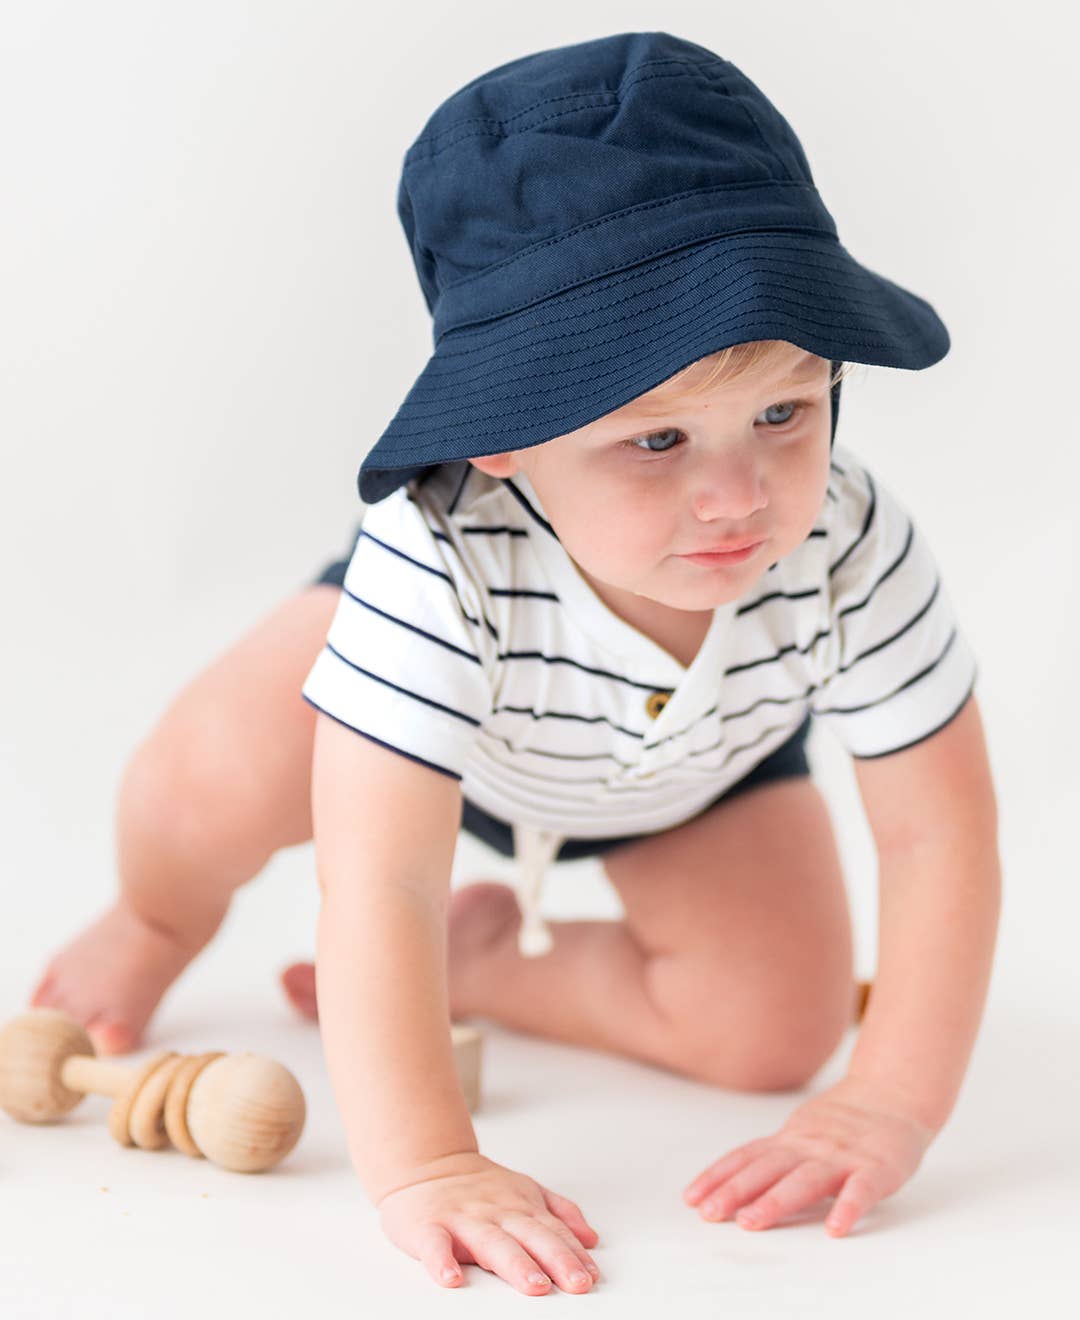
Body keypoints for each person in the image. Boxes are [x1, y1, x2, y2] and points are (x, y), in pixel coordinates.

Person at [28, 32, 1001, 1297]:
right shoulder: (438, 553)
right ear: (501, 438)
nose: (736, 496)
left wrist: (887, 1103)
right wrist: (428, 1163)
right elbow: (380, 879)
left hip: (688, 774)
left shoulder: (852, 537)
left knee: (775, 1027)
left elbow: (940, 840)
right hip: (425, 731)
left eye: (783, 412)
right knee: (200, 785)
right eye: (655, 440)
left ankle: (492, 967)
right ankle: (155, 915)